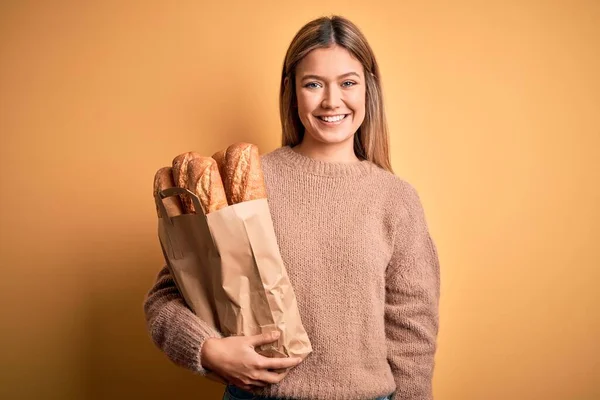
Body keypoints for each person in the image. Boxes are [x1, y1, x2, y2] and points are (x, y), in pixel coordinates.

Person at [144, 15, 440, 400]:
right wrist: (207, 349)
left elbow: (413, 332)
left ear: (368, 88)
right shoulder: (247, 184)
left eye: (348, 83)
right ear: (292, 90)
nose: (332, 101)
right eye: (313, 84)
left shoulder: (395, 198)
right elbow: (166, 297)